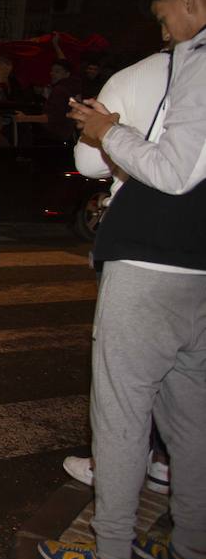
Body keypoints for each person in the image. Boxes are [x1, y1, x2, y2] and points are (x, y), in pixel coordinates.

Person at [44, 0, 206, 559]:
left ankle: (110, 557)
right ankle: (193, 550)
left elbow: (171, 171)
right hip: (199, 268)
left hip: (150, 259)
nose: (165, 34)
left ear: (190, 2)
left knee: (120, 411)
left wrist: (108, 130)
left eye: (166, 19)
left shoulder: (191, 62)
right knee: (191, 418)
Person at [59, 41, 175, 499]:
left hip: (140, 242)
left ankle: (111, 474)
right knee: (185, 371)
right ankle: (166, 462)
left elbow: (89, 163)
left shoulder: (135, 76)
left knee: (125, 375)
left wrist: (108, 132)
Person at [41, 58, 81, 144]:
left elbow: (53, 117)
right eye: (52, 71)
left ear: (67, 74)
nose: (52, 73)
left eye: (57, 71)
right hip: (70, 135)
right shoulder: (73, 88)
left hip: (57, 135)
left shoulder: (60, 90)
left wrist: (25, 118)